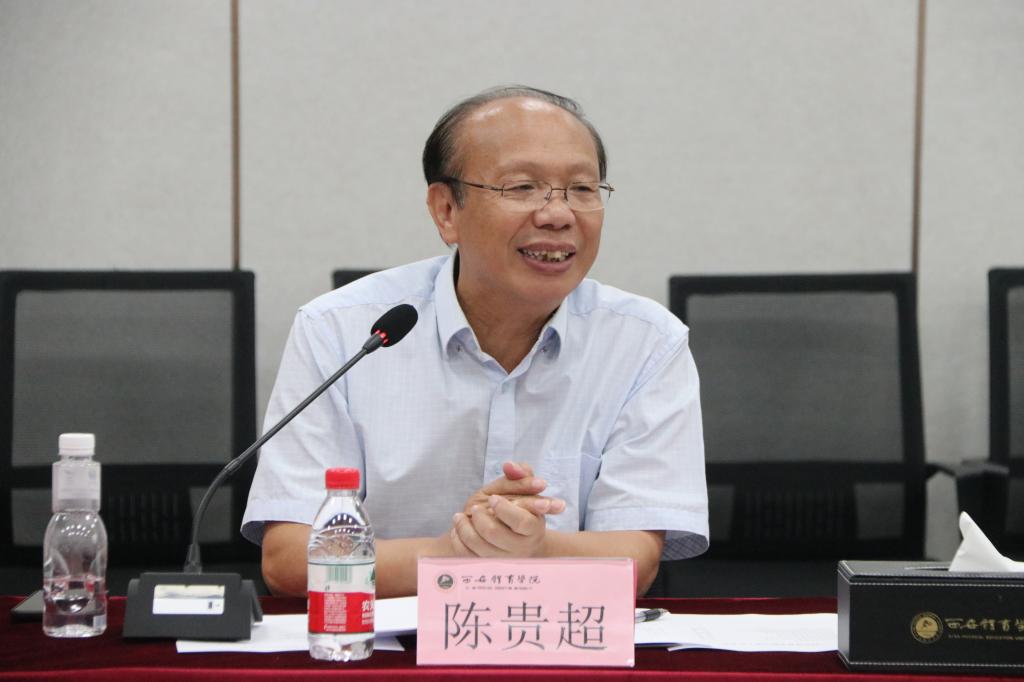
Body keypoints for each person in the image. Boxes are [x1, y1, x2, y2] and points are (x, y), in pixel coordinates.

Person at [242, 85, 708, 598]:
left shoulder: (646, 342)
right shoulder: (341, 330)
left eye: (581, 188)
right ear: (446, 210)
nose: (558, 214)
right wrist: (456, 554)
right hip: (383, 639)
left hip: (556, 636)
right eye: (523, 187)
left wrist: (536, 547)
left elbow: (635, 560)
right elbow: (290, 559)